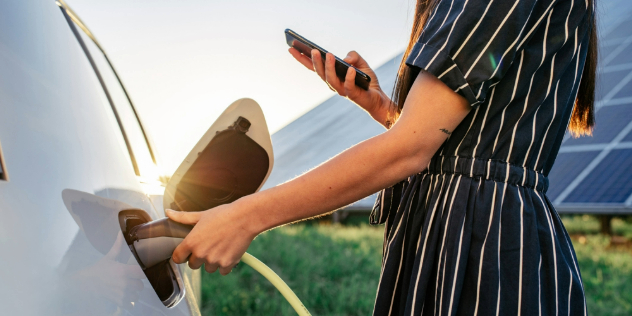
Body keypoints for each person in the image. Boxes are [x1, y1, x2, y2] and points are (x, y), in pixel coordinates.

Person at [167, 0, 597, 314]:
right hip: (495, 236)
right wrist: (382, 107)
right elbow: (462, 143)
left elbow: (411, 150)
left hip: (478, 245)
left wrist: (245, 216)